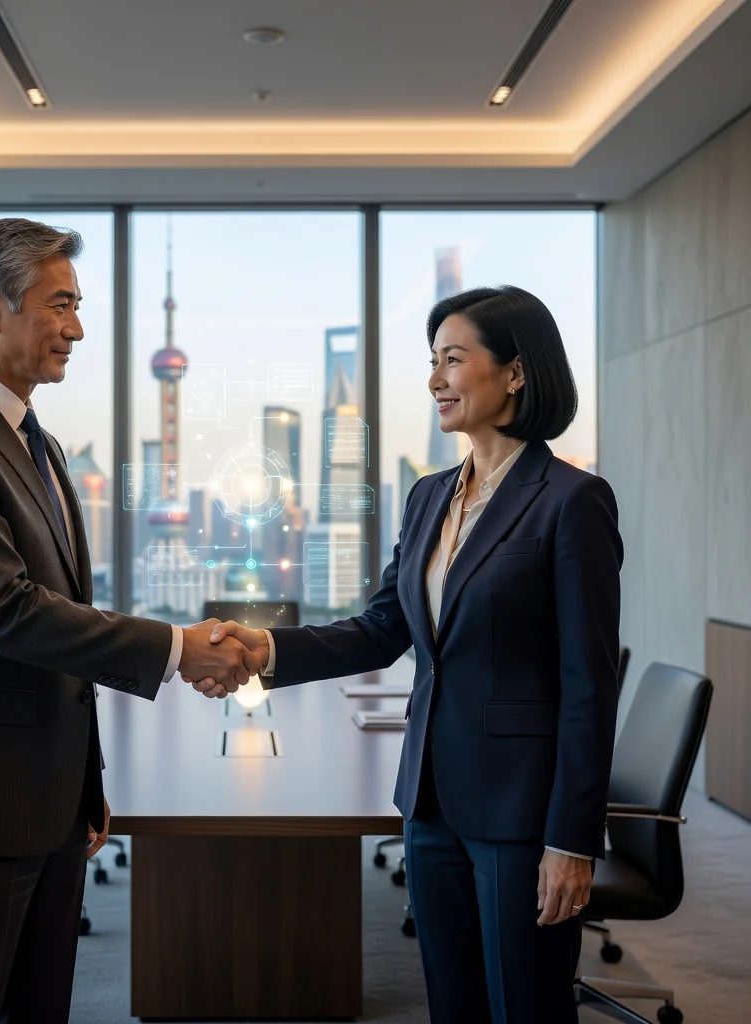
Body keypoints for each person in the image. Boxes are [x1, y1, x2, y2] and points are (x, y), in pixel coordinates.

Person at [200, 286, 623, 1024]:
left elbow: (589, 684)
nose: (434, 380)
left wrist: (571, 840)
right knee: (452, 1003)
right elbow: (382, 627)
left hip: (521, 811)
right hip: (428, 801)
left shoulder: (570, 500)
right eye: (432, 361)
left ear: (516, 372)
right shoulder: (429, 496)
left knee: (526, 1005)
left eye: (453, 360)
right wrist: (265, 647)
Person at [0, 217, 253, 1024]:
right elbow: (6, 611)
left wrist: (84, 781)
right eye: (60, 305)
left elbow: (65, 608)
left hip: (46, 793)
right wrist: (178, 648)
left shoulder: (34, 440)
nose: (77, 329)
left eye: (77, 306)